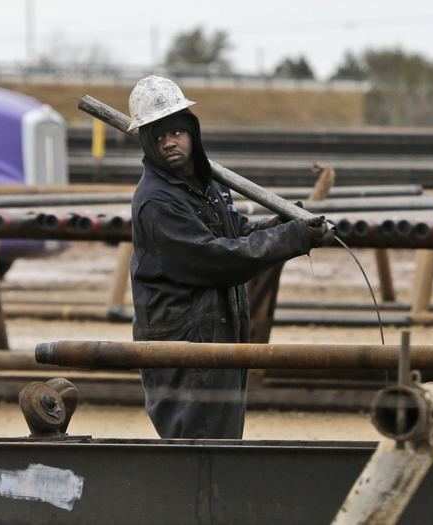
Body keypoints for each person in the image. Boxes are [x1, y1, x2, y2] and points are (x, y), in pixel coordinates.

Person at [129, 75, 330, 439]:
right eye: (158, 136)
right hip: (183, 346)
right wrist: (290, 237)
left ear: (191, 131)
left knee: (223, 441)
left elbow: (236, 234)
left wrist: (283, 221)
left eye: (175, 132)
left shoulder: (209, 185)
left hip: (218, 332)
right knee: (198, 448)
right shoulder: (156, 202)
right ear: (147, 141)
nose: (168, 142)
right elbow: (215, 259)